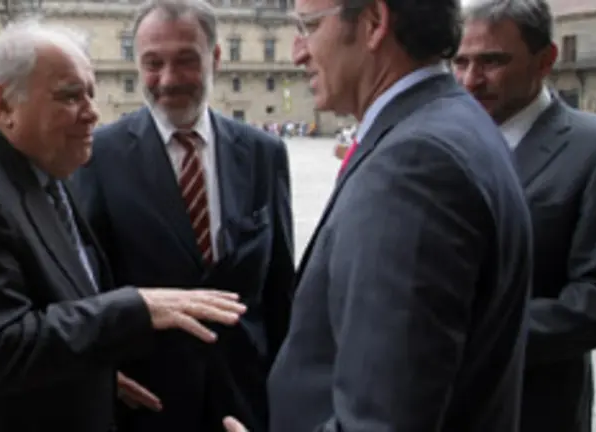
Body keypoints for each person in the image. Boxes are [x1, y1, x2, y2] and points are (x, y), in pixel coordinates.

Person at [0, 19, 246, 432]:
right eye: (70, 96)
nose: (92, 112)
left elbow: (54, 302)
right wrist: (136, 307)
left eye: (91, 92)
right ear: (4, 105)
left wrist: (94, 373)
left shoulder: (38, 165)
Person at [222, 0, 534, 429]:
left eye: (309, 27)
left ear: (373, 23)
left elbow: (382, 420)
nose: (297, 52)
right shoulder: (454, 123)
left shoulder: (412, 164)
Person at [72, 0, 295, 430]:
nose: (169, 80)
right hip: (146, 403)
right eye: (153, 63)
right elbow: (83, 288)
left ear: (215, 58)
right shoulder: (98, 158)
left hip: (245, 398)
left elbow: (281, 286)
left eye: (186, 60)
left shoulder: (264, 154)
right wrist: (96, 373)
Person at [453, 1, 596, 431]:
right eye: (460, 62)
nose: (471, 80)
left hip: (533, 409)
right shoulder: (443, 140)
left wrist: (467, 338)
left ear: (546, 60)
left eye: (492, 61)